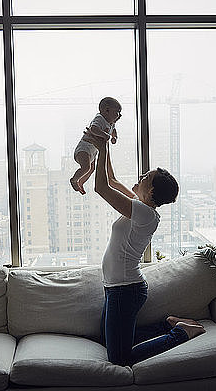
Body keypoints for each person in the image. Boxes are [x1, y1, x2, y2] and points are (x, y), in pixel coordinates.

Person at [82, 125, 206, 367]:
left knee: (120, 358)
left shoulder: (144, 212)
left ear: (150, 191)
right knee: (109, 341)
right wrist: (101, 147)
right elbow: (112, 180)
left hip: (125, 290)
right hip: (117, 288)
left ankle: (181, 333)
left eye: (144, 177)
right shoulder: (140, 208)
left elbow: (101, 188)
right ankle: (168, 324)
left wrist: (103, 147)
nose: (139, 178)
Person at [70, 97, 120, 195]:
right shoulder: (100, 118)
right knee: (86, 168)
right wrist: (104, 135)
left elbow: (114, 131)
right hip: (84, 148)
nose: (119, 115)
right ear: (107, 110)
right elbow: (93, 128)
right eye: (117, 112)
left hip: (92, 152)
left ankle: (80, 182)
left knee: (91, 169)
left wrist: (114, 137)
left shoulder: (111, 123)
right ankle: (74, 179)